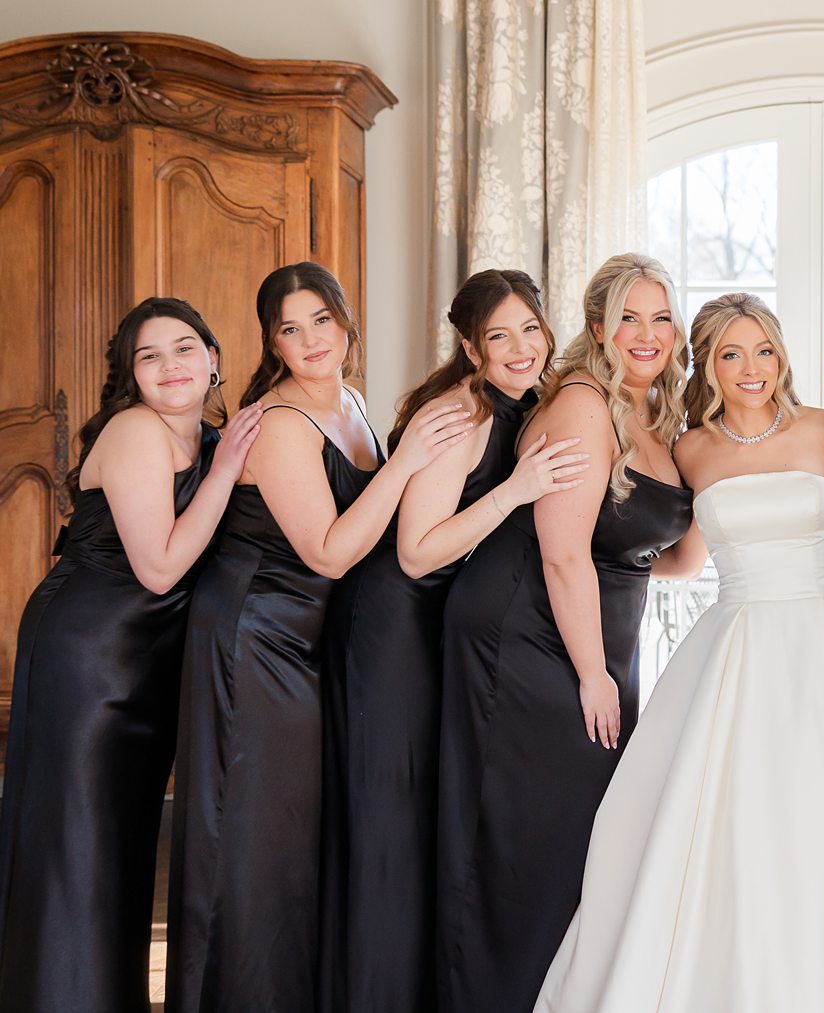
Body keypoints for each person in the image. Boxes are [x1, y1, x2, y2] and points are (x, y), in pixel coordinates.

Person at [533, 291, 824, 1012]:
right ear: (709, 366)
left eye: (763, 350)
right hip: (734, 647)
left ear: (783, 356)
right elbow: (684, 556)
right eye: (731, 353)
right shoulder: (691, 448)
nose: (751, 368)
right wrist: (610, 566)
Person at [168, 263, 470, 1012]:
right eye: (289, 328)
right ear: (271, 341)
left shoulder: (353, 404)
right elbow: (331, 551)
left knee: (293, 840)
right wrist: (407, 461)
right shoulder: (277, 421)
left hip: (311, 641)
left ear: (346, 323)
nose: (309, 340)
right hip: (255, 635)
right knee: (250, 837)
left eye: (321, 321)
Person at [436, 253, 696, 1012]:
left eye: (660, 317)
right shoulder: (585, 402)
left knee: (584, 841)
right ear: (595, 329)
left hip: (596, 640)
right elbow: (562, 550)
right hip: (529, 637)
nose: (645, 334)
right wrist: (591, 672)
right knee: (531, 843)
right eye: (628, 317)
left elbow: (668, 559)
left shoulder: (654, 412)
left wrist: (728, 472)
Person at [319, 269, 584, 1012]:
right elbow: (416, 551)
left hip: (433, 624)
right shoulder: (460, 414)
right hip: (390, 625)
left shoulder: (528, 403)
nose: (521, 347)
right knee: (389, 818)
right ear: (471, 347)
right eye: (499, 335)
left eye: (531, 328)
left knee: (420, 817)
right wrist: (515, 490)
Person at [0, 299, 260, 1013]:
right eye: (150, 355)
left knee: (122, 842)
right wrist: (226, 464)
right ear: (132, 375)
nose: (171, 365)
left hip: (146, 661)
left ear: (213, 357)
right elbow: (161, 566)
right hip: (90, 654)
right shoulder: (138, 431)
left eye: (184, 348)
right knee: (80, 840)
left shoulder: (210, 436)